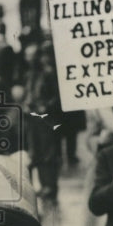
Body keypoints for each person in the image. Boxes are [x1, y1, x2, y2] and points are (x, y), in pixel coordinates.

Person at [22, 38, 63, 204]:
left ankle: (50, 186)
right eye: (28, 56)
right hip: (32, 118)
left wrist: (45, 107)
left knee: (48, 153)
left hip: (46, 119)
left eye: (32, 56)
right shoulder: (29, 75)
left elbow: (57, 97)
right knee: (35, 151)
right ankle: (42, 185)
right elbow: (28, 93)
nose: (30, 60)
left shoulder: (49, 74)